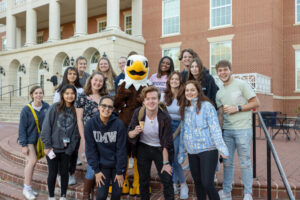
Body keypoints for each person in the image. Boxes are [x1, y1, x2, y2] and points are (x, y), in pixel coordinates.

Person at [215, 60, 260, 200]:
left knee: (245, 162)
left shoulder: (241, 84)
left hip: (243, 129)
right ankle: (227, 191)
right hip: (227, 131)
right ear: (217, 73)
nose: (223, 73)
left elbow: (256, 103)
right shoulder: (219, 92)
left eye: (225, 70)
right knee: (227, 162)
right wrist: (219, 133)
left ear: (230, 70)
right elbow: (220, 114)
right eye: (220, 71)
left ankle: (248, 193)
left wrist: (238, 108)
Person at [177, 80, 229, 200]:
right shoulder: (185, 108)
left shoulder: (207, 106)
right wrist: (182, 152)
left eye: (192, 90)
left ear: (198, 91)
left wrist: (222, 148)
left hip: (208, 150)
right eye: (187, 90)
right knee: (198, 183)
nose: (189, 93)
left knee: (207, 183)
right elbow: (184, 132)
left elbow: (215, 129)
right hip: (192, 151)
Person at [128, 86, 174, 200]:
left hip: (160, 149)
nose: (151, 101)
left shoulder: (165, 117)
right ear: (144, 101)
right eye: (147, 99)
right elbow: (129, 134)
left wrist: (165, 163)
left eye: (154, 98)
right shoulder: (138, 113)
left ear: (158, 100)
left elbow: (166, 142)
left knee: (167, 179)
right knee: (143, 180)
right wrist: (135, 131)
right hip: (143, 148)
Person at [84, 95, 127, 200]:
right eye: (104, 106)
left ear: (113, 109)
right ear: (98, 106)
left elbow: (121, 150)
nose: (106, 109)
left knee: (116, 195)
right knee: (102, 195)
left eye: (110, 107)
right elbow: (90, 150)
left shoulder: (119, 124)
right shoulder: (90, 124)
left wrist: (120, 171)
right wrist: (97, 171)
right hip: (102, 166)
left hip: (117, 164)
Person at [41, 84, 79, 200]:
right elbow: (46, 127)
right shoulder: (54, 108)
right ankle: (51, 196)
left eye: (72, 93)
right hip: (52, 148)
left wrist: (70, 149)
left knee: (64, 173)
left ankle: (63, 195)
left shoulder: (76, 110)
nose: (69, 96)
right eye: (67, 93)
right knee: (52, 173)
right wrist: (47, 145)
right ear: (62, 95)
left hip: (66, 150)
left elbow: (76, 133)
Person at [75, 72, 108, 199]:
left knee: (99, 165)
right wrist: (83, 139)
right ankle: (86, 195)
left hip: (104, 136)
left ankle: (91, 194)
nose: (98, 83)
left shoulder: (105, 97)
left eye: (101, 81)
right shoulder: (82, 97)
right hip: (89, 137)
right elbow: (79, 119)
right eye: (96, 80)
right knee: (92, 166)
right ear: (91, 80)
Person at [53, 67, 83, 186]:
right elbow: (55, 108)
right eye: (69, 74)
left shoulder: (80, 90)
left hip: (76, 124)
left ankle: (71, 173)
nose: (72, 76)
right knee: (63, 151)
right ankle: (61, 174)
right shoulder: (59, 90)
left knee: (74, 150)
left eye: (74, 74)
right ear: (66, 75)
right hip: (63, 124)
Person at [18, 86, 50, 200]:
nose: (38, 95)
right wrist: (23, 145)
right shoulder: (26, 109)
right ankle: (26, 188)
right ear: (32, 95)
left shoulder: (47, 107)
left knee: (33, 163)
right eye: (36, 93)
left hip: (41, 140)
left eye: (41, 93)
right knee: (32, 161)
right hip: (29, 140)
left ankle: (29, 188)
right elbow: (21, 128)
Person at [162, 72, 188, 199]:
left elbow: (184, 118)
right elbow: (161, 113)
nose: (174, 81)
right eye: (172, 79)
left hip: (179, 127)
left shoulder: (184, 96)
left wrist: (175, 134)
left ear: (180, 81)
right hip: (166, 126)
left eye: (177, 79)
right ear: (169, 81)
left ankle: (183, 184)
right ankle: (173, 183)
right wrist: (167, 132)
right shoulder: (164, 95)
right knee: (168, 156)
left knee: (175, 157)